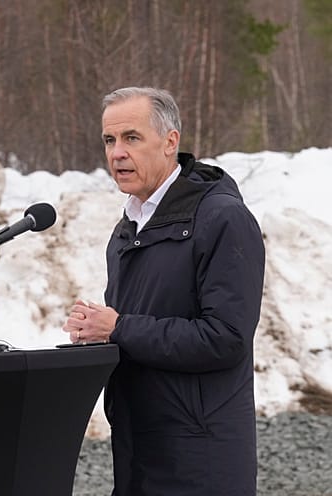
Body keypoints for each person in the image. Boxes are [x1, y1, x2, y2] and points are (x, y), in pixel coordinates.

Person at [63, 87, 265, 495]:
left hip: (200, 454)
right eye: (109, 140)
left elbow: (225, 339)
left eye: (131, 138)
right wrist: (96, 334)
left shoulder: (222, 219)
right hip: (141, 447)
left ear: (170, 142)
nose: (117, 152)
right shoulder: (129, 226)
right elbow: (141, 326)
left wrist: (118, 328)